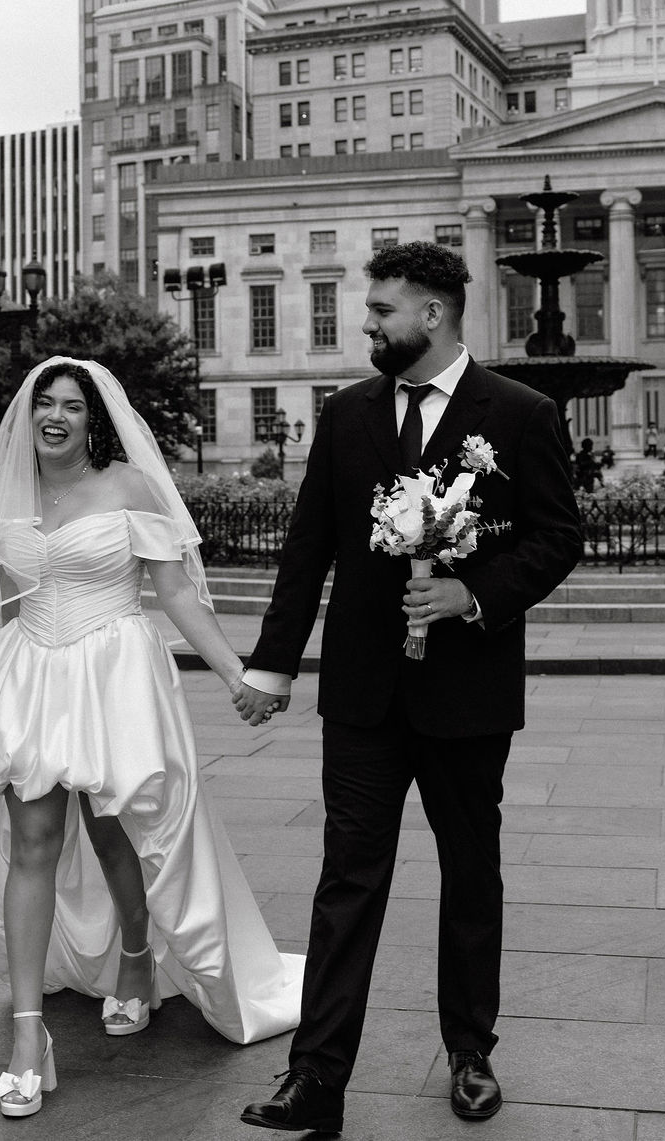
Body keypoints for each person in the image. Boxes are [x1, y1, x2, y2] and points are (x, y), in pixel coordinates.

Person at [237, 242, 582, 1133]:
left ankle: (470, 1053)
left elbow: (556, 537)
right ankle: (315, 1077)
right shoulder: (346, 413)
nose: (368, 322)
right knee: (346, 879)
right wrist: (272, 663)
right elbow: (308, 546)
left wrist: (477, 593)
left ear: (432, 314)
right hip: (360, 695)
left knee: (472, 874)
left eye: (383, 309)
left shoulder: (521, 411)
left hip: (468, 695)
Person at [0, 357, 301, 1119]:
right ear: (27, 414)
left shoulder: (130, 487)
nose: (56, 416)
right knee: (33, 842)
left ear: (93, 419)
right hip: (34, 675)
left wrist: (239, 674)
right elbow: (11, 604)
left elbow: (174, 589)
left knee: (115, 836)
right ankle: (27, 1036)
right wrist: (3, 697)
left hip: (112, 674)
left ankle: (137, 959)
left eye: (72, 405)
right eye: (45, 402)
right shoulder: (11, 496)